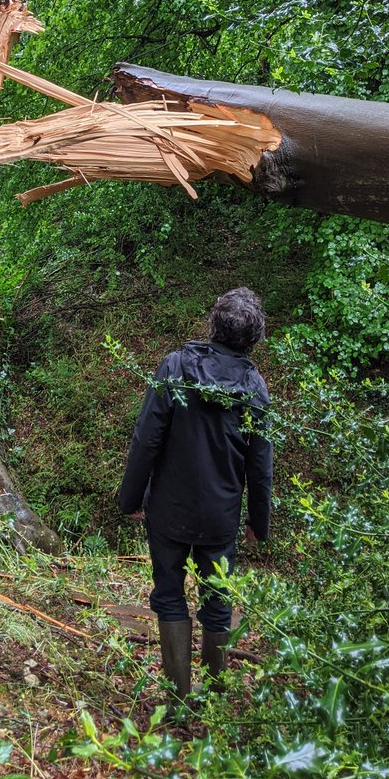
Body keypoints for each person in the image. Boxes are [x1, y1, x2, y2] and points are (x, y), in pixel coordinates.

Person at [117, 287, 273, 700]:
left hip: (168, 509)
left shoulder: (175, 367)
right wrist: (259, 523)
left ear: (214, 324)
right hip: (219, 517)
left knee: (169, 594)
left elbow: (145, 439)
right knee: (218, 600)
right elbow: (260, 465)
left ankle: (177, 700)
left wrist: (130, 498)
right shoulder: (254, 387)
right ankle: (216, 696)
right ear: (253, 337)